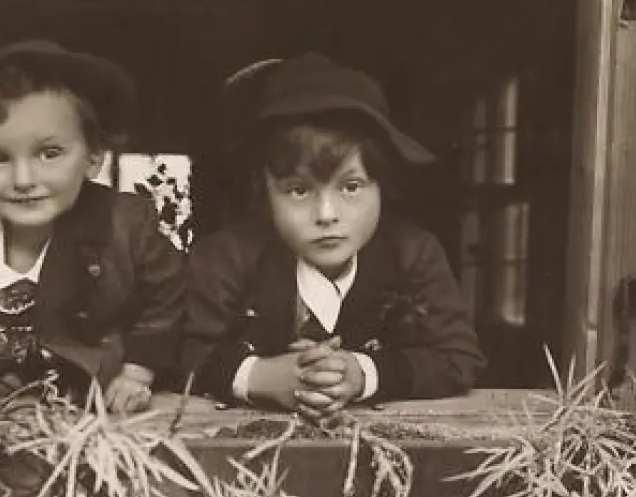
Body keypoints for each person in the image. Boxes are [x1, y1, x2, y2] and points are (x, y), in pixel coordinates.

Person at [182, 53, 485, 420]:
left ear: (382, 185)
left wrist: (363, 374)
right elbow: (182, 352)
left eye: (351, 187)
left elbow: (459, 356)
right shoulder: (225, 257)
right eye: (298, 191)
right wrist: (259, 377)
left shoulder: (413, 253)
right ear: (263, 191)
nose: (326, 215)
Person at [0, 40, 184, 413]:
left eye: (49, 154)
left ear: (93, 157)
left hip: (86, 404)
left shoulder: (124, 223)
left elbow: (166, 298)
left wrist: (137, 373)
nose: (23, 179)